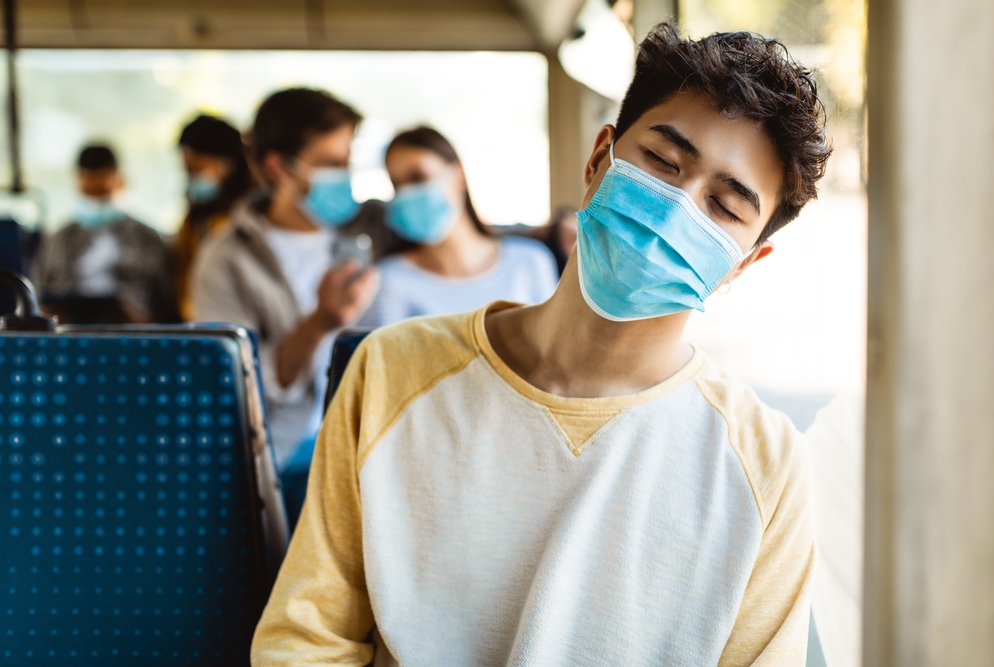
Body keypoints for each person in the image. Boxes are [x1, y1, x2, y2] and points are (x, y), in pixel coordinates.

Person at [252, 23, 831, 666]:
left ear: (743, 265)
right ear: (597, 161)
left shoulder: (766, 463)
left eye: (724, 206)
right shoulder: (390, 371)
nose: (675, 209)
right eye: (663, 164)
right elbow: (302, 643)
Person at [191, 88, 403, 525]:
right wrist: (320, 323)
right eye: (330, 163)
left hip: (377, 447)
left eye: (348, 160)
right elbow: (230, 382)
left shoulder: (376, 227)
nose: (345, 175)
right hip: (281, 460)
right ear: (278, 167)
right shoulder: (228, 257)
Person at [358, 126, 557, 328]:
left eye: (418, 177)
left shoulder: (531, 262)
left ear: (458, 176)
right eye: (397, 185)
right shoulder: (387, 281)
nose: (406, 194)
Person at [34, 143, 175, 324]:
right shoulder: (58, 240)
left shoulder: (148, 238)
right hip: (67, 331)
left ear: (121, 182)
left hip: (132, 333)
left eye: (102, 193)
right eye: (88, 193)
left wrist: (143, 319)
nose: (95, 202)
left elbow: (166, 303)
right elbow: (38, 296)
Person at [174, 114, 254, 321]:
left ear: (227, 163)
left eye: (197, 170)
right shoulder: (196, 216)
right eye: (187, 172)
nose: (192, 179)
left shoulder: (249, 218)